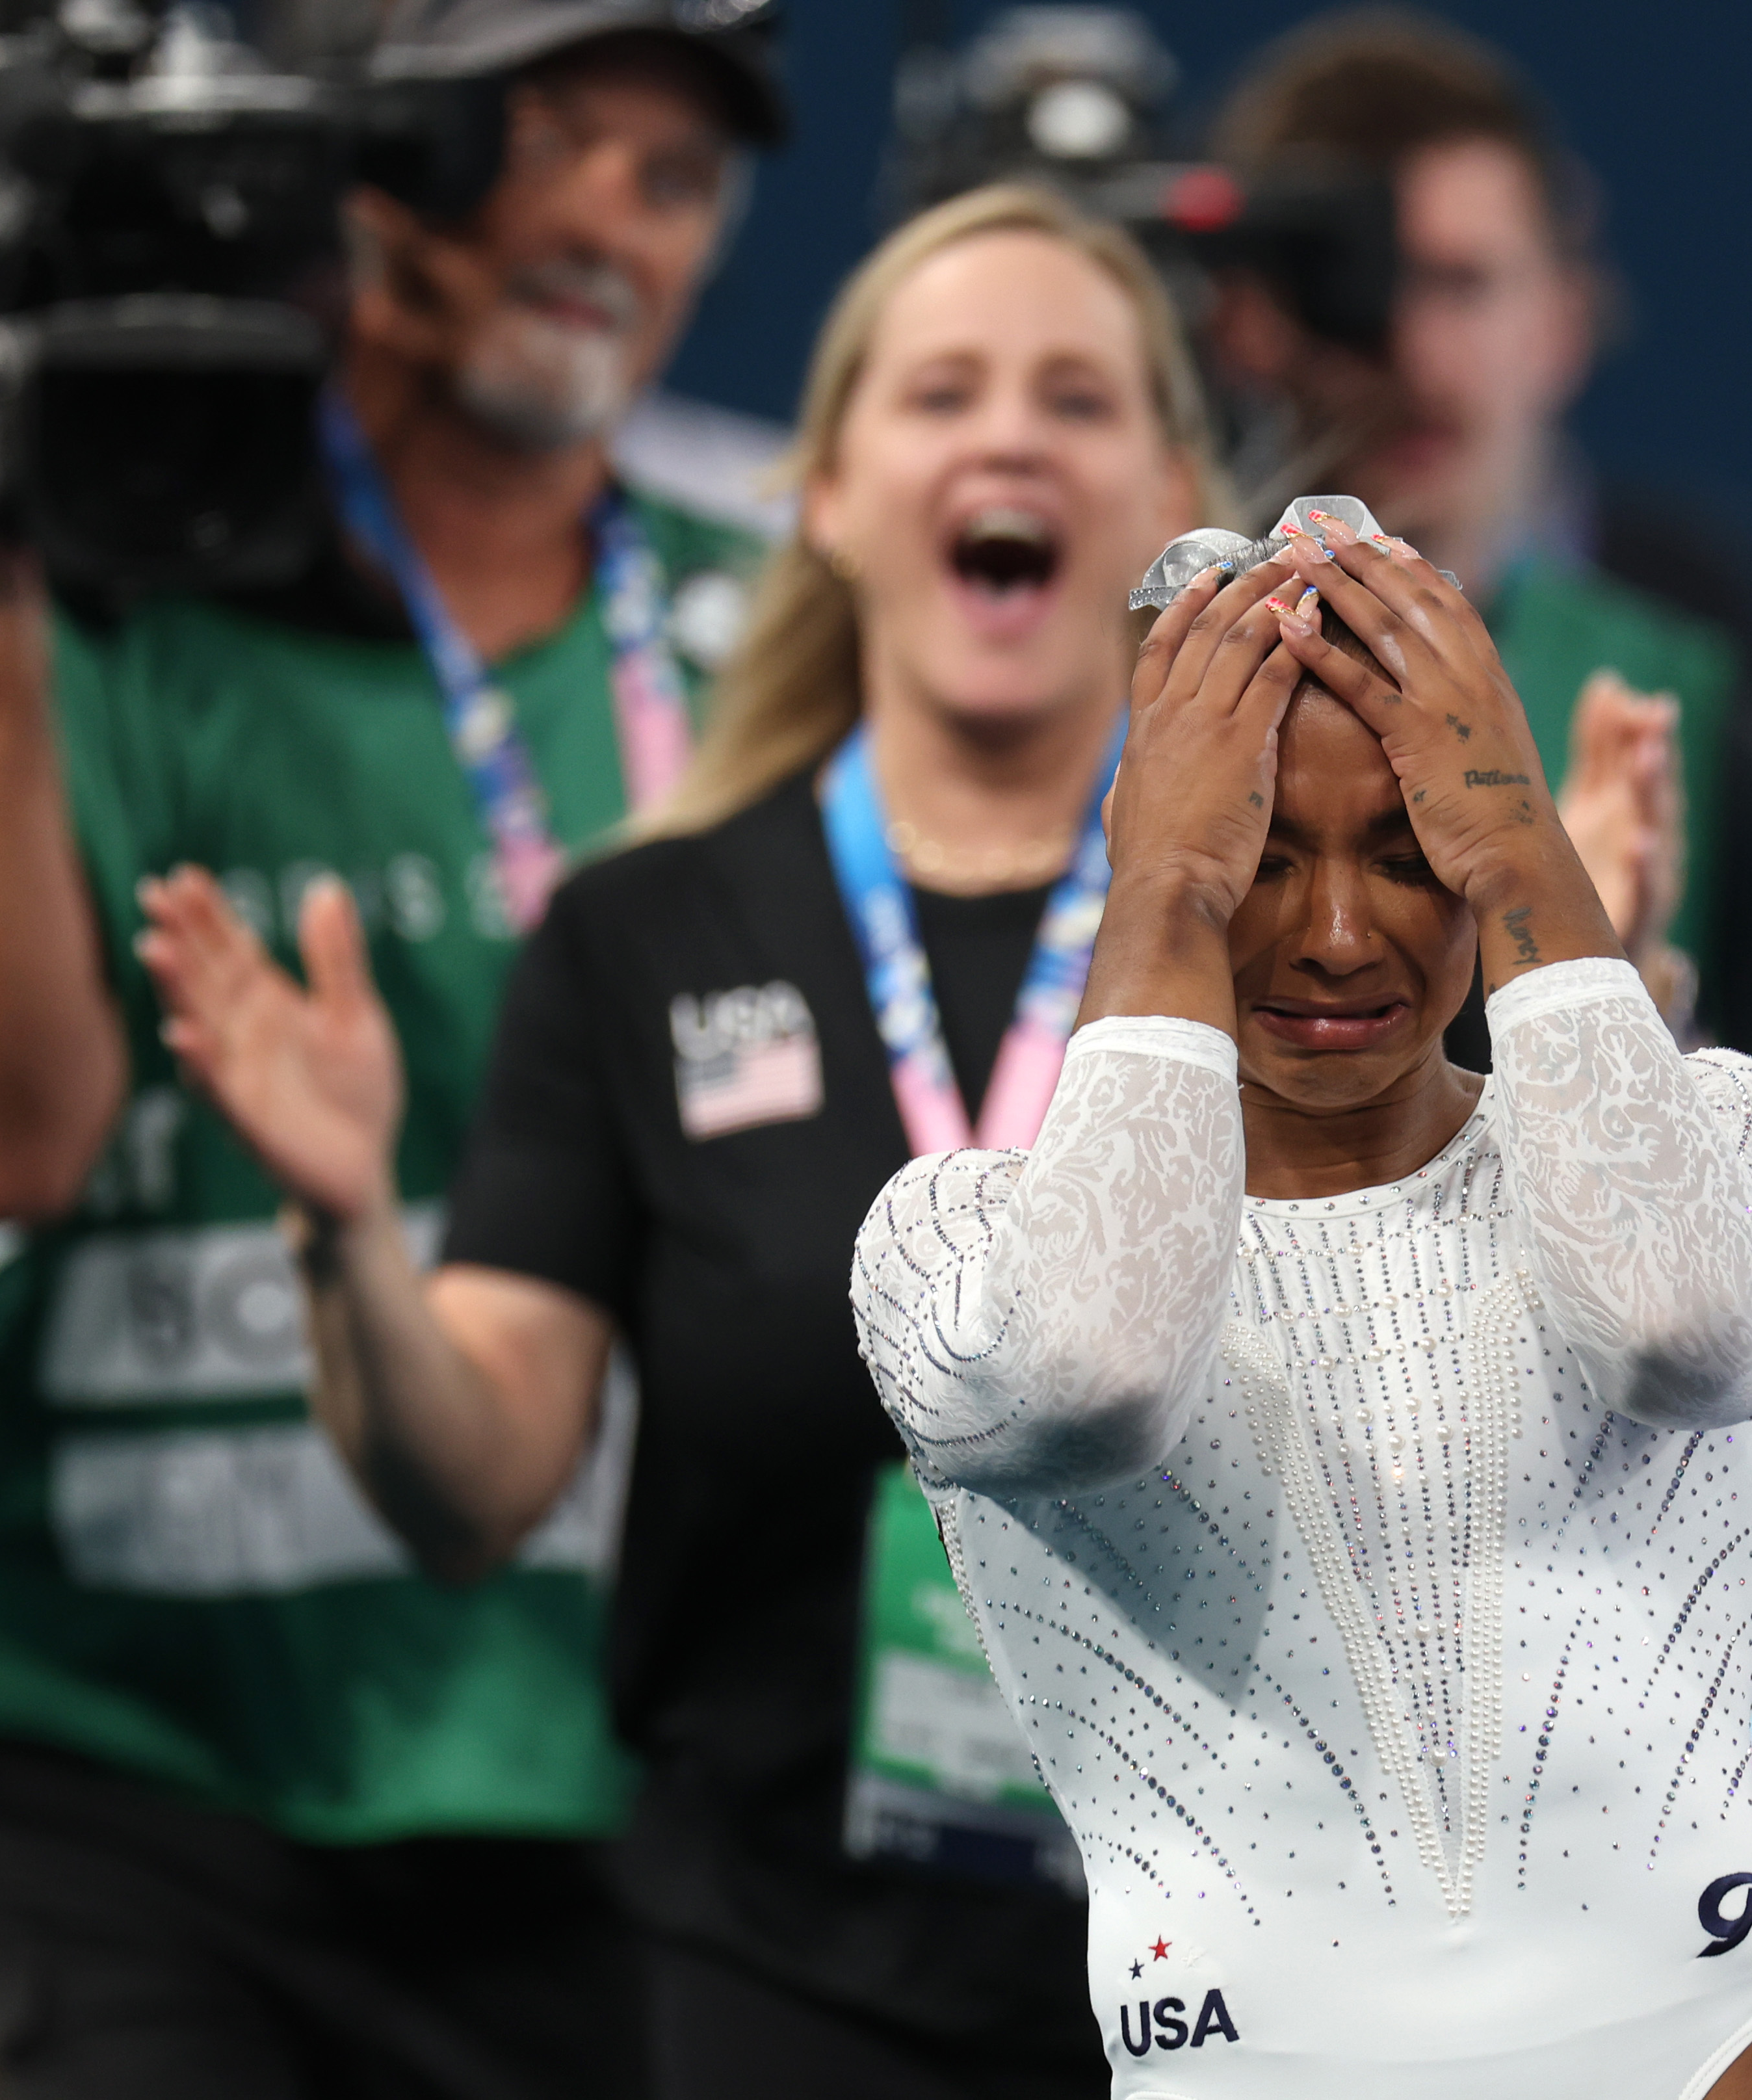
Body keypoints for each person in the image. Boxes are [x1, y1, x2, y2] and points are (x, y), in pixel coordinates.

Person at [135, 181, 1214, 2097]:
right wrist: (341, 1237)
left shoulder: (1292, 931)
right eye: (941, 389)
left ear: (1164, 496)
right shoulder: (644, 937)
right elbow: (475, 1480)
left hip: (1236, 1975)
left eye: (1073, 398)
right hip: (776, 1976)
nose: (1005, 436)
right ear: (824, 493)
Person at [0, 8, 785, 2096]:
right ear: (358, 163)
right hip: (98, 1762)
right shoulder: (59, 609)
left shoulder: (783, 652)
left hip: (605, 1787)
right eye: (535, 141)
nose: (603, 217)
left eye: (672, 175)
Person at [852, 519, 1752, 2096]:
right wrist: (1163, 886)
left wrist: (1527, 848)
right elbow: (1097, 1376)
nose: (1334, 934)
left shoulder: (1725, 1137)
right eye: (1255, 854)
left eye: (1408, 848)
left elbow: (1682, 1333)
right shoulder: (953, 1242)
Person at [1198, 9, 1752, 1622]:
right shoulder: (1164, 671)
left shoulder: (1679, 668)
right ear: (1247, 317)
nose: (1408, 341)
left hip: (1586, 1552)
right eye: (1363, 279)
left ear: (1565, 316)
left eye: (1460, 281)